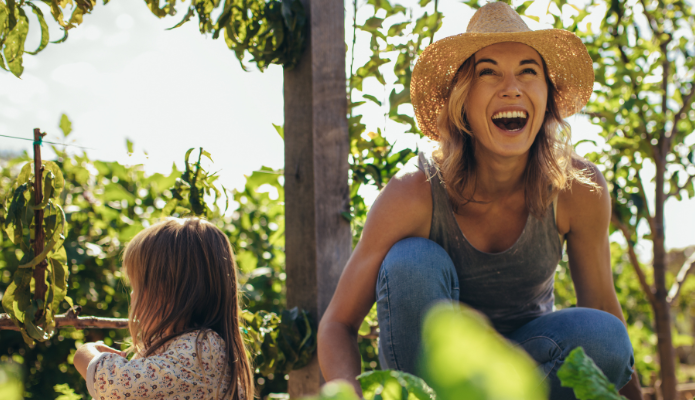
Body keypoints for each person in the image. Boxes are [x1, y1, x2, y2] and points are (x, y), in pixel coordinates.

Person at [318, 2, 637, 399]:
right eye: (489, 72)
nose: (512, 87)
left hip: (528, 371)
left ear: (548, 97)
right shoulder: (412, 194)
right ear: (462, 100)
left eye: (528, 71)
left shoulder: (577, 188)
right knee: (412, 261)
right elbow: (338, 324)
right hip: (430, 379)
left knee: (606, 336)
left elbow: (604, 307)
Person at [72, 218, 254, 400]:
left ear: (167, 292)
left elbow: (116, 386)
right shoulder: (184, 347)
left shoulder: (201, 348)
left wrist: (86, 352)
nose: (132, 296)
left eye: (137, 285)